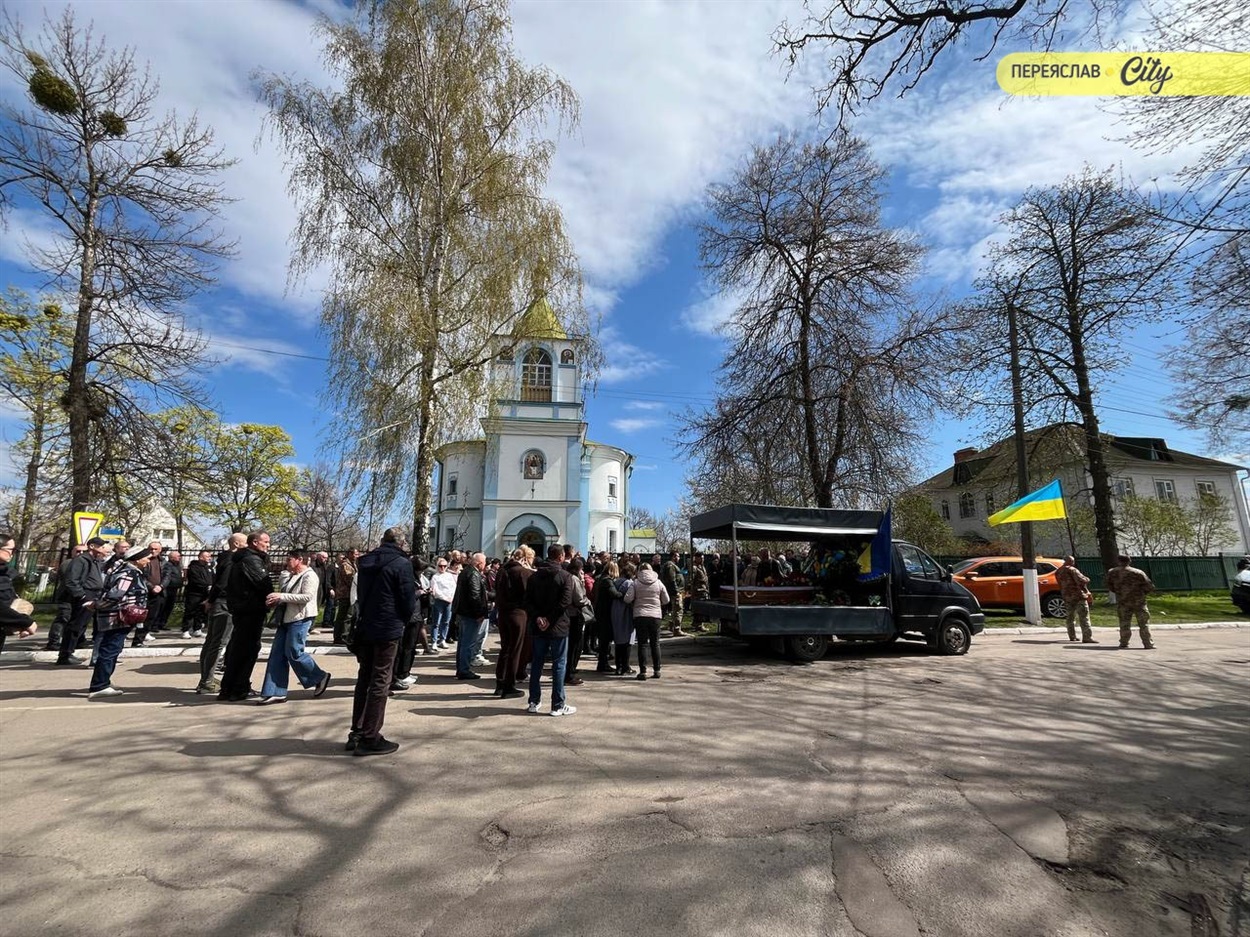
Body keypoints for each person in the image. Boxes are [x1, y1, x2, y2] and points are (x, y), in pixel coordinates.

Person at [348, 527, 416, 756]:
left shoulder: (366, 562)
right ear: (401, 542)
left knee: (365, 677)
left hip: (367, 623)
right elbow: (407, 598)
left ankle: (357, 729)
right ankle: (370, 736)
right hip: (387, 627)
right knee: (381, 680)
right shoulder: (401, 563)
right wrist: (404, 620)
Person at [258, 549, 331, 705]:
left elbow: (307, 597)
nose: (287, 561)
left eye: (289, 559)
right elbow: (286, 593)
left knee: (294, 652)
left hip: (301, 618)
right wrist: (277, 599)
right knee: (277, 654)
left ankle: (319, 676)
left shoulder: (310, 575)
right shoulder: (291, 575)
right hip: (286, 618)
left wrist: (281, 597)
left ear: (299, 559)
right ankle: (275, 691)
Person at [87, 546, 153, 699]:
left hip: (118, 616)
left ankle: (104, 682)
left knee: (112, 649)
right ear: (137, 559)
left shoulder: (125, 571)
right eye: (146, 557)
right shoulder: (129, 574)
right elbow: (116, 594)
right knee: (110, 650)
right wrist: (96, 605)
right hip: (117, 617)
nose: (148, 560)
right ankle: (99, 685)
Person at [218, 530, 274, 701]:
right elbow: (263, 582)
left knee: (238, 648)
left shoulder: (241, 558)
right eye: (265, 541)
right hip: (250, 609)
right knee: (248, 649)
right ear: (255, 542)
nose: (268, 545)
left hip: (242, 608)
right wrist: (272, 596)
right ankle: (239, 688)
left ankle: (228, 688)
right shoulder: (251, 560)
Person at [524, 545, 578, 716]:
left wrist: (538, 617)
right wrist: (549, 619)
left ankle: (534, 701)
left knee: (537, 664)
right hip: (558, 627)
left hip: (539, 626)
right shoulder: (565, 576)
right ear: (561, 557)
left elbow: (528, 601)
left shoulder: (534, 577)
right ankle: (557, 705)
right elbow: (565, 602)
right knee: (559, 664)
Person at [197, 533, 244, 694]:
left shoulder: (224, 558)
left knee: (211, 641)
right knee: (218, 644)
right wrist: (212, 600)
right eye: (245, 543)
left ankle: (205, 679)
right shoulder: (231, 560)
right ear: (237, 544)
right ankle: (207, 681)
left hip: (219, 602)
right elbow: (222, 583)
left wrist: (211, 600)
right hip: (225, 604)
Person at [57, 537, 108, 666]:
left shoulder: (94, 561)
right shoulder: (81, 560)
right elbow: (71, 581)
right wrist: (82, 596)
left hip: (94, 595)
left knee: (83, 625)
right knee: (75, 625)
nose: (103, 549)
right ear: (92, 546)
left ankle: (71, 651)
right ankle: (65, 655)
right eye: (101, 547)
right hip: (85, 596)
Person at [493, 546, 533, 699]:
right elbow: (528, 594)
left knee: (505, 649)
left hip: (503, 614)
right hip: (518, 614)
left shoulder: (502, 571)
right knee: (515, 650)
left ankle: (500, 683)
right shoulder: (523, 572)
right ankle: (509, 685)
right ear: (525, 558)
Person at [625, 561, 669, 681]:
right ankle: (657, 670)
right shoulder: (658, 582)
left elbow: (627, 599)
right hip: (655, 616)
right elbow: (666, 600)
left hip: (640, 616)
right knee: (655, 643)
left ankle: (643, 671)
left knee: (642, 644)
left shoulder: (636, 582)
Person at [452, 552, 491, 680]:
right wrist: (479, 613)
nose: (485, 566)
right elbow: (475, 595)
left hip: (464, 611)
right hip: (470, 613)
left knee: (463, 642)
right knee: (468, 643)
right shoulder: (473, 574)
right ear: (479, 563)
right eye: (484, 563)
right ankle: (464, 669)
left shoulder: (466, 572)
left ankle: (461, 668)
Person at [1105, 554, 1156, 650]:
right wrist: (1142, 592)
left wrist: (1118, 591)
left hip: (1123, 601)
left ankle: (1124, 642)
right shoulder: (1138, 572)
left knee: (1124, 623)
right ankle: (1148, 643)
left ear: (1118, 561)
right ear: (1129, 561)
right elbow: (1149, 586)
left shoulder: (1112, 572)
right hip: (1139, 601)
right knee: (1143, 623)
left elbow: (1109, 585)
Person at [44, 544, 85, 652]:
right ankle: (53, 642)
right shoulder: (68, 563)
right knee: (63, 617)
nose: (80, 554)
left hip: (78, 596)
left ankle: (78, 640)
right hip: (66, 596)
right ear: (72, 552)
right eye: (78, 551)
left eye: (83, 552)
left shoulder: (85, 563)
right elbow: (70, 580)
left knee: (78, 619)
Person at [0, 534, 38, 650]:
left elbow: (8, 601)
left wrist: (17, 625)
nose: (13, 553)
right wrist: (26, 622)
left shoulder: (5, 572)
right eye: (11, 549)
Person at [1054, 555, 1097, 644]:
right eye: (1073, 561)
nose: (1073, 563)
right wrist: (1087, 579)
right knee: (1084, 617)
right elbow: (1082, 580)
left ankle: (1072, 636)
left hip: (1067, 596)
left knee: (1070, 617)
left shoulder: (1058, 571)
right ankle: (1087, 637)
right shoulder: (1072, 570)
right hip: (1078, 596)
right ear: (1070, 561)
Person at [609, 562, 635, 676]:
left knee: (618, 640)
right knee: (628, 640)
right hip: (627, 612)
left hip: (615, 611)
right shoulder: (630, 583)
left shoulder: (615, 581)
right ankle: (625, 666)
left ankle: (618, 666)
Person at [182, 550, 213, 638]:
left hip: (204, 593)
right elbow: (195, 579)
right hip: (194, 593)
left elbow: (212, 578)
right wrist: (207, 585)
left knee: (201, 611)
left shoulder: (208, 568)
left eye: (210, 556)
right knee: (190, 611)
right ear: (200, 557)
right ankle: (185, 630)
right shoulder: (193, 567)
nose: (209, 558)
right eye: (207, 556)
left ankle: (197, 629)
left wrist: (211, 586)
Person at [332, 549, 359, 645]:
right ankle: (340, 636)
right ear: (350, 554)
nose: (357, 556)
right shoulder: (345, 565)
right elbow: (350, 579)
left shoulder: (353, 564)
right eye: (356, 554)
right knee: (343, 616)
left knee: (349, 615)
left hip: (351, 594)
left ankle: (345, 635)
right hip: (345, 594)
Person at [429, 558, 456, 649]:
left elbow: (453, 587)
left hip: (449, 601)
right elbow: (435, 591)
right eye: (441, 566)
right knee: (436, 622)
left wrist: (451, 597)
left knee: (446, 621)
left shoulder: (449, 576)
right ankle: (434, 641)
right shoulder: (435, 577)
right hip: (439, 601)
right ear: (437, 566)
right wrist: (445, 598)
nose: (443, 568)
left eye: (445, 566)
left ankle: (442, 639)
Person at [659, 550, 686, 637]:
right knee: (678, 610)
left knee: (675, 610)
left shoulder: (672, 565)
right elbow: (672, 579)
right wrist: (676, 591)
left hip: (677, 591)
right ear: (673, 556)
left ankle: (673, 626)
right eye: (677, 556)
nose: (679, 558)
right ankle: (677, 629)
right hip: (675, 592)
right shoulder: (670, 565)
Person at [688, 552, 710, 633]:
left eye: (703, 558)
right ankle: (698, 625)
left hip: (703, 590)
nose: (702, 559)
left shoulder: (702, 567)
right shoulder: (694, 568)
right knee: (699, 609)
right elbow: (691, 580)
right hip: (698, 591)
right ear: (696, 558)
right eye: (701, 558)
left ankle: (698, 624)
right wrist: (693, 589)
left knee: (702, 609)